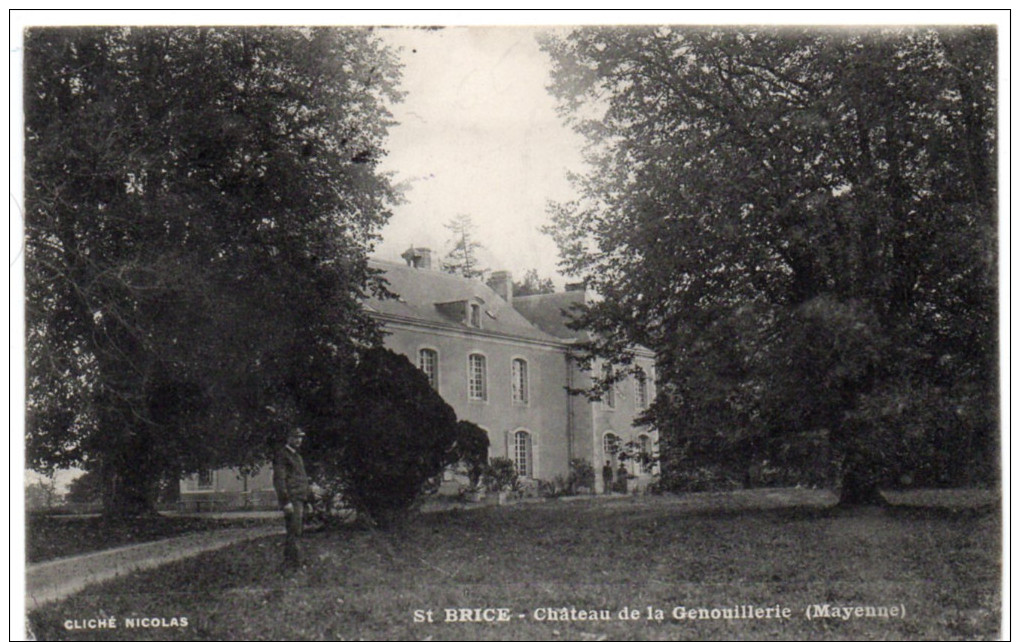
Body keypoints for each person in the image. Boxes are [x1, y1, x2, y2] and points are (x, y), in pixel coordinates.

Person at [273, 423, 311, 569]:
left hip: (300, 498)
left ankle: (289, 563)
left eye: (300, 438)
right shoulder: (282, 456)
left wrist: (308, 496)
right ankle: (297, 564)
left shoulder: (297, 456)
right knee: (294, 530)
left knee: (296, 530)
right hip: (292, 499)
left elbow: (301, 478)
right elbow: (279, 480)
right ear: (288, 438)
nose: (298, 441)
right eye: (295, 437)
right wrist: (285, 501)